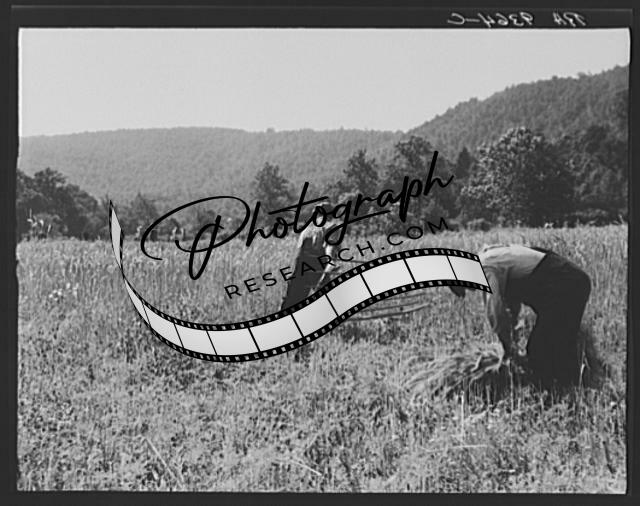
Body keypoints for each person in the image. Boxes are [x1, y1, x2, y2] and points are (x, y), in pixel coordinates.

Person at [450, 244, 592, 388]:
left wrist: (507, 348)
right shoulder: (491, 257)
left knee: (540, 347)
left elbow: (496, 311)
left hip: (566, 283)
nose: (471, 290)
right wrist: (512, 339)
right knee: (558, 341)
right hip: (569, 280)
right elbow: (511, 306)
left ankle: (556, 390)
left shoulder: (485, 269)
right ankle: (569, 386)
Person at [280, 219, 338, 311]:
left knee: (292, 301)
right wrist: (328, 269)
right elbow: (330, 253)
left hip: (300, 267)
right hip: (316, 266)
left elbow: (298, 253)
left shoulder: (307, 228)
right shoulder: (331, 227)